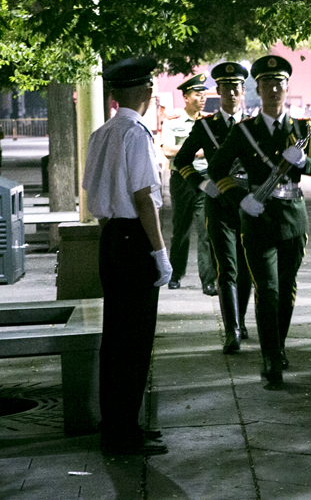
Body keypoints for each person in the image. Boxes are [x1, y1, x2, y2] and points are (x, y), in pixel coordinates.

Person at [209, 55, 311, 388]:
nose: (273, 89)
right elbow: (217, 169)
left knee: (286, 291)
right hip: (258, 219)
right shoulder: (244, 132)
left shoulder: (302, 129)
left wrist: (305, 161)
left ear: (287, 87)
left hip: (293, 219)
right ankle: (269, 359)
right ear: (258, 88)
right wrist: (240, 199)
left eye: (279, 83)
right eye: (266, 83)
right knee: (267, 290)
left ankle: (277, 347)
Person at [82, 56, 171, 456]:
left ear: (115, 94)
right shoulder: (136, 134)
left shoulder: (101, 134)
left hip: (110, 238)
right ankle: (123, 434)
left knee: (116, 337)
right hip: (135, 240)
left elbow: (92, 190)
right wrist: (160, 250)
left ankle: (118, 425)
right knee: (135, 341)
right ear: (147, 93)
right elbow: (143, 198)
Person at [174, 62, 252, 354]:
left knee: (245, 268)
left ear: (243, 91)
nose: (232, 93)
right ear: (218, 91)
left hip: (247, 205)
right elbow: (181, 160)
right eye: (226, 88)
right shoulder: (205, 126)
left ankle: (241, 321)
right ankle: (231, 330)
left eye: (236, 87)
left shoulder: (253, 126)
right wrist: (202, 184)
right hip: (218, 204)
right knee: (226, 268)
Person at [161, 73, 216, 294]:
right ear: (185, 97)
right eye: (197, 94)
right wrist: (199, 152)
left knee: (206, 231)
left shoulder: (210, 122)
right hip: (182, 181)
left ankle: (208, 280)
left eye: (204, 94)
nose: (202, 98)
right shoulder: (173, 122)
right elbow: (167, 151)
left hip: (205, 181)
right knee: (181, 230)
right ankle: (176, 274)